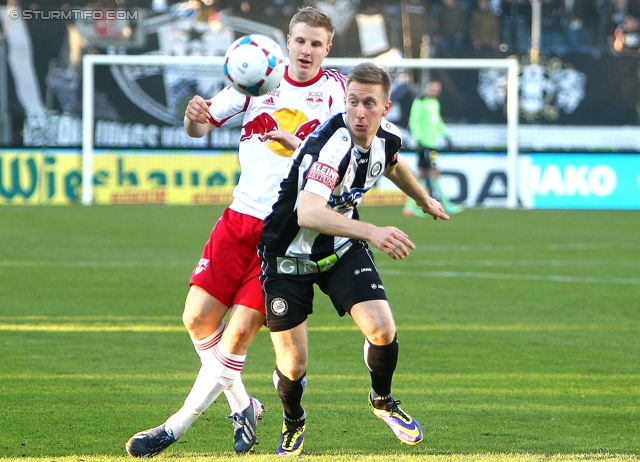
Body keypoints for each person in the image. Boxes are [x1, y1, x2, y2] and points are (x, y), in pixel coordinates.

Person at [125, 6, 346, 458]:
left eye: (316, 43)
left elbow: (343, 160)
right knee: (197, 318)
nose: (307, 50)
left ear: (328, 48)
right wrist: (193, 115)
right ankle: (243, 405)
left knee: (238, 335)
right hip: (237, 218)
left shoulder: (336, 93)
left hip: (286, 233)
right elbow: (199, 127)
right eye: (300, 40)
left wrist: (298, 147)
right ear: (287, 42)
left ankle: (172, 428)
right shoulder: (256, 75)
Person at [258, 62, 449, 456]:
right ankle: (293, 419)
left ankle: (382, 400)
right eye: (352, 103)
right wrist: (374, 232)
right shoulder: (335, 144)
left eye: (368, 104)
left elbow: (393, 164)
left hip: (340, 248)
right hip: (288, 255)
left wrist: (422, 198)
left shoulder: (385, 139)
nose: (359, 112)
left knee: (381, 328)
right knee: (293, 367)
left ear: (385, 108)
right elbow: (307, 213)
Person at [404, 80, 461, 217]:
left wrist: (446, 135)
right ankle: (446, 204)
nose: (435, 91)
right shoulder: (420, 101)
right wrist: (417, 139)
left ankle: (409, 207)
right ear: (427, 88)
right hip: (424, 144)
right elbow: (414, 120)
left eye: (437, 89)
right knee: (434, 172)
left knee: (423, 173)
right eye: (433, 88)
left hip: (432, 144)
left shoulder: (435, 103)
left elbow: (437, 121)